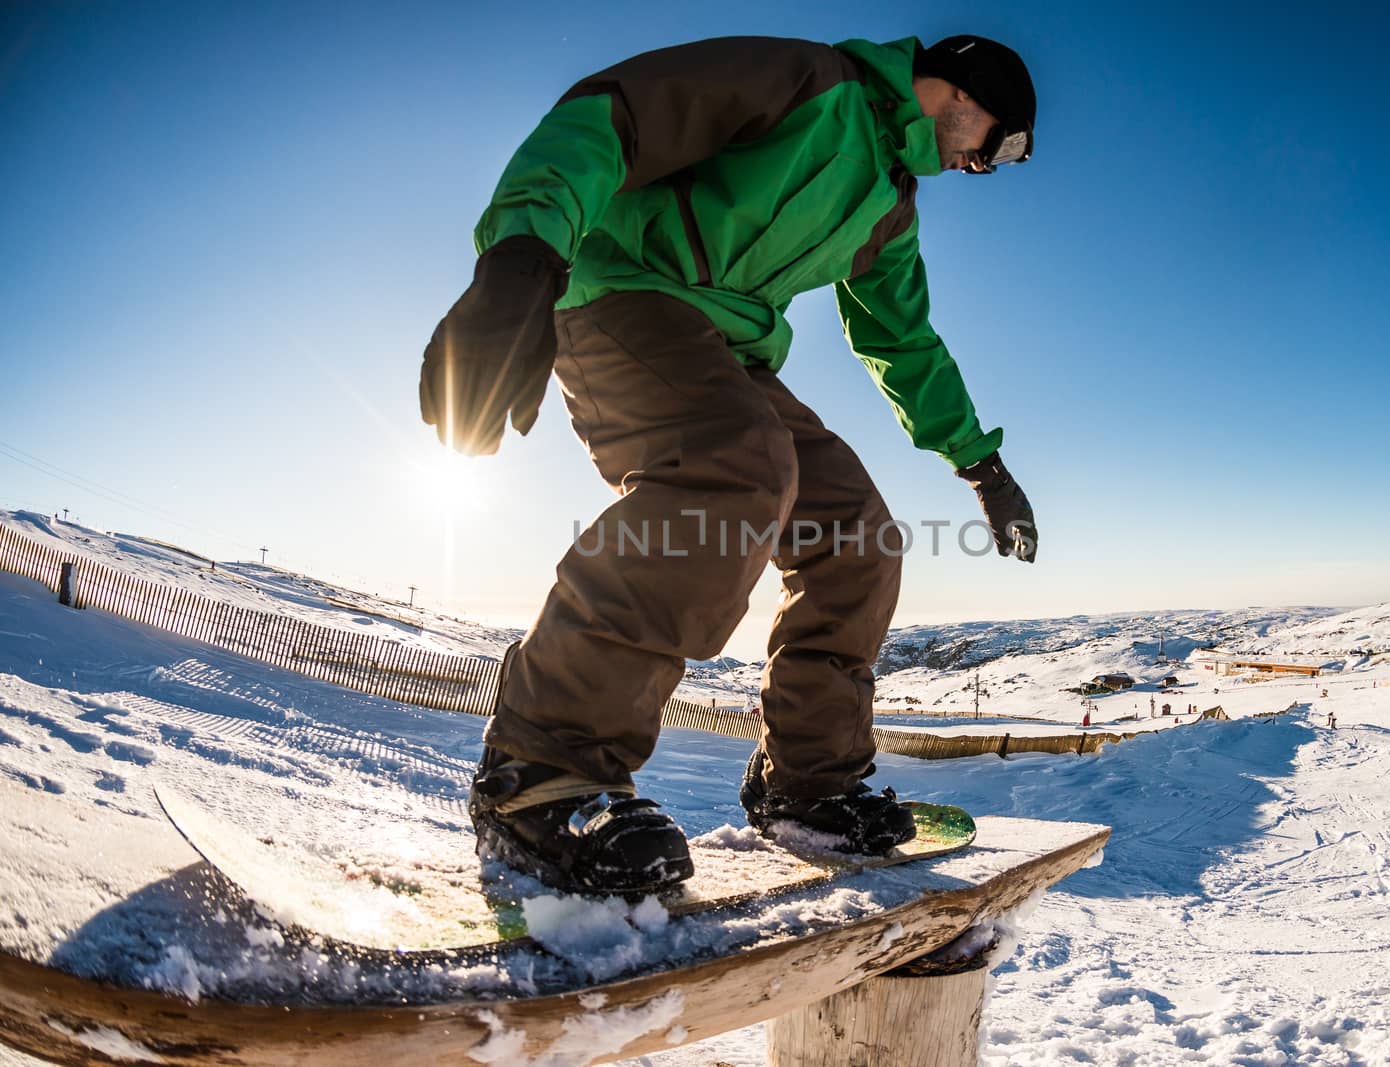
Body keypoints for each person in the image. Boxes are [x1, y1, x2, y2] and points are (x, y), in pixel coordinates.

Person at [420, 35, 1039, 895]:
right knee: (734, 465)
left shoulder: (890, 209)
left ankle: (808, 783)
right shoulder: (807, 85)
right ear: (966, 93)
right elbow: (615, 116)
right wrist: (523, 256)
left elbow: (903, 340)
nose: (983, 166)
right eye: (998, 146)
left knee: (857, 533)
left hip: (729, 350)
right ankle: (540, 768)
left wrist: (982, 466)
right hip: (623, 291)